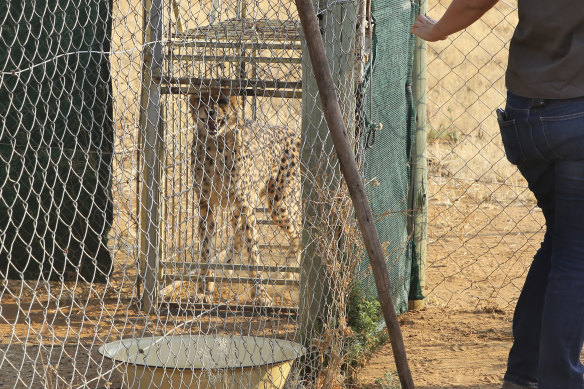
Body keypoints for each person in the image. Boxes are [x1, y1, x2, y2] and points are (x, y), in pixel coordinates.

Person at [411, 1, 584, 388]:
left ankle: (524, 375)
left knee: (563, 240)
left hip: (524, 117)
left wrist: (440, 30)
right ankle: (560, 380)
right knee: (576, 254)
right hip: (577, 119)